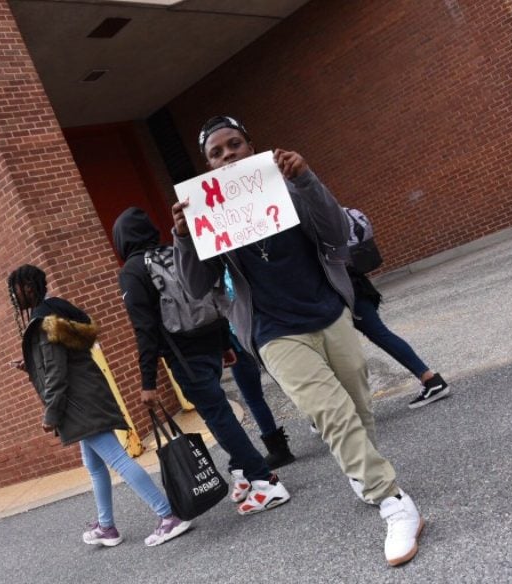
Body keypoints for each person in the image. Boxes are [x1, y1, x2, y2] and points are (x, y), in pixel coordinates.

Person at [172, 115, 425, 567]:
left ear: (251, 147)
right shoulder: (209, 217)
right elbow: (195, 287)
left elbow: (337, 235)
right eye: (217, 152)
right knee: (330, 414)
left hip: (328, 313)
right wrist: (183, 238)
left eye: (235, 145)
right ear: (209, 167)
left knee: (357, 407)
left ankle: (361, 471)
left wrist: (307, 180)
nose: (229, 155)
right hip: (273, 332)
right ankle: (393, 502)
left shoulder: (287, 187)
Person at [111, 207, 291, 515]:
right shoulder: (174, 252)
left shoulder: (133, 271)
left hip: (184, 357)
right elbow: (210, 293)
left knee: (218, 415)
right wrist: (224, 344)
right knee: (221, 412)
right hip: (211, 342)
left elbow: (145, 330)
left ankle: (265, 482)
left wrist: (148, 383)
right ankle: (244, 472)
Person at [7, 264, 191, 547]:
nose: (13, 296)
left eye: (15, 289)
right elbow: (62, 361)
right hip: (87, 396)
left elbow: (56, 373)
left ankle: (168, 517)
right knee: (93, 465)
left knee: (117, 459)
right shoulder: (57, 312)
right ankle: (107, 527)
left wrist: (51, 414)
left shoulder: (44, 322)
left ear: (28, 288)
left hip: (78, 404)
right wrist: (30, 367)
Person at [342, 208, 450, 409]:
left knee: (334, 348)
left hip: (336, 291)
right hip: (355, 283)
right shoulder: (332, 208)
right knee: (381, 334)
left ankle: (332, 408)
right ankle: (430, 380)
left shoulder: (304, 214)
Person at [223, 271, 295, 468]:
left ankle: (278, 448)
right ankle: (318, 419)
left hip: (236, 334)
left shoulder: (206, 267)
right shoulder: (237, 257)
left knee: (253, 396)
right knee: (287, 377)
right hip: (265, 323)